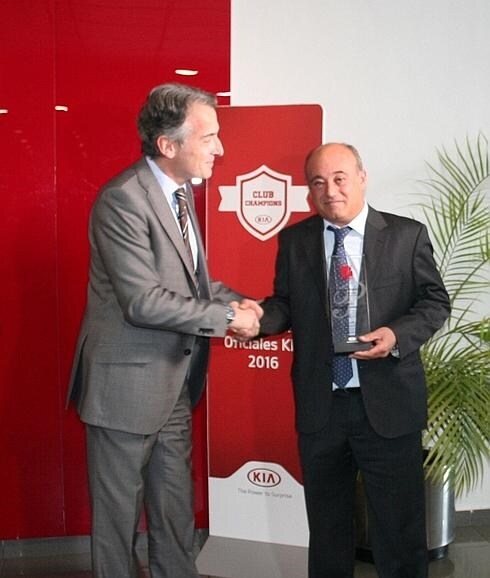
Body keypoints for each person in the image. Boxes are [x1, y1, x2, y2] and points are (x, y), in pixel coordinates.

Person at [66, 83, 262, 578]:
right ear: (167, 145)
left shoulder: (178, 194)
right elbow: (142, 301)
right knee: (118, 524)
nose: (219, 148)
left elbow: (191, 282)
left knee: (175, 513)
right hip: (123, 389)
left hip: (175, 383)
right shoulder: (123, 200)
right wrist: (224, 319)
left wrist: (233, 301)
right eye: (209, 137)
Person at [256, 143, 450, 578]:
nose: (330, 190)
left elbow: (435, 303)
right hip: (322, 407)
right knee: (327, 531)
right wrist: (257, 319)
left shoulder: (406, 235)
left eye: (340, 178)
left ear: (362, 176)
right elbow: (284, 304)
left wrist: (397, 334)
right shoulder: (296, 240)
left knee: (399, 532)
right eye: (318, 182)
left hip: (387, 403)